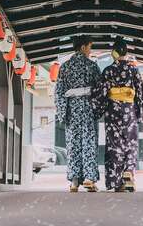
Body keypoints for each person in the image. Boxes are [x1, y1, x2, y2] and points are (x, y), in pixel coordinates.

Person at [92, 37, 143, 192]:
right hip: (129, 110)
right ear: (126, 52)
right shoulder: (133, 70)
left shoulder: (108, 71)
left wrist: (97, 109)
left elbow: (101, 93)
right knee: (130, 143)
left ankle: (116, 181)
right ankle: (129, 172)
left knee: (114, 145)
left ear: (113, 53)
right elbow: (140, 90)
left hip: (113, 111)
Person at [55, 35, 102, 192]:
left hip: (71, 110)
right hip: (88, 109)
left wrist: (62, 112)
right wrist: (98, 109)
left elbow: (59, 91)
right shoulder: (92, 66)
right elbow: (100, 90)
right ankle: (89, 179)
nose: (90, 51)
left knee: (73, 143)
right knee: (88, 142)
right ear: (83, 47)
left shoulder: (65, 67)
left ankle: (74, 182)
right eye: (89, 47)